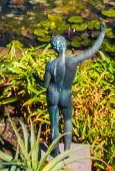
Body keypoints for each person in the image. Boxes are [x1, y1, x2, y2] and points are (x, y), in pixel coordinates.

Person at [43, 25, 106, 153]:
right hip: (66, 96)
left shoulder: (50, 65)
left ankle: (56, 153)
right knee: (67, 121)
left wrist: (35, 78)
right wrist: (102, 33)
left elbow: (44, 85)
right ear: (65, 46)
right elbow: (92, 50)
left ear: (54, 48)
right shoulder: (73, 61)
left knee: (54, 124)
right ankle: (66, 152)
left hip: (53, 95)